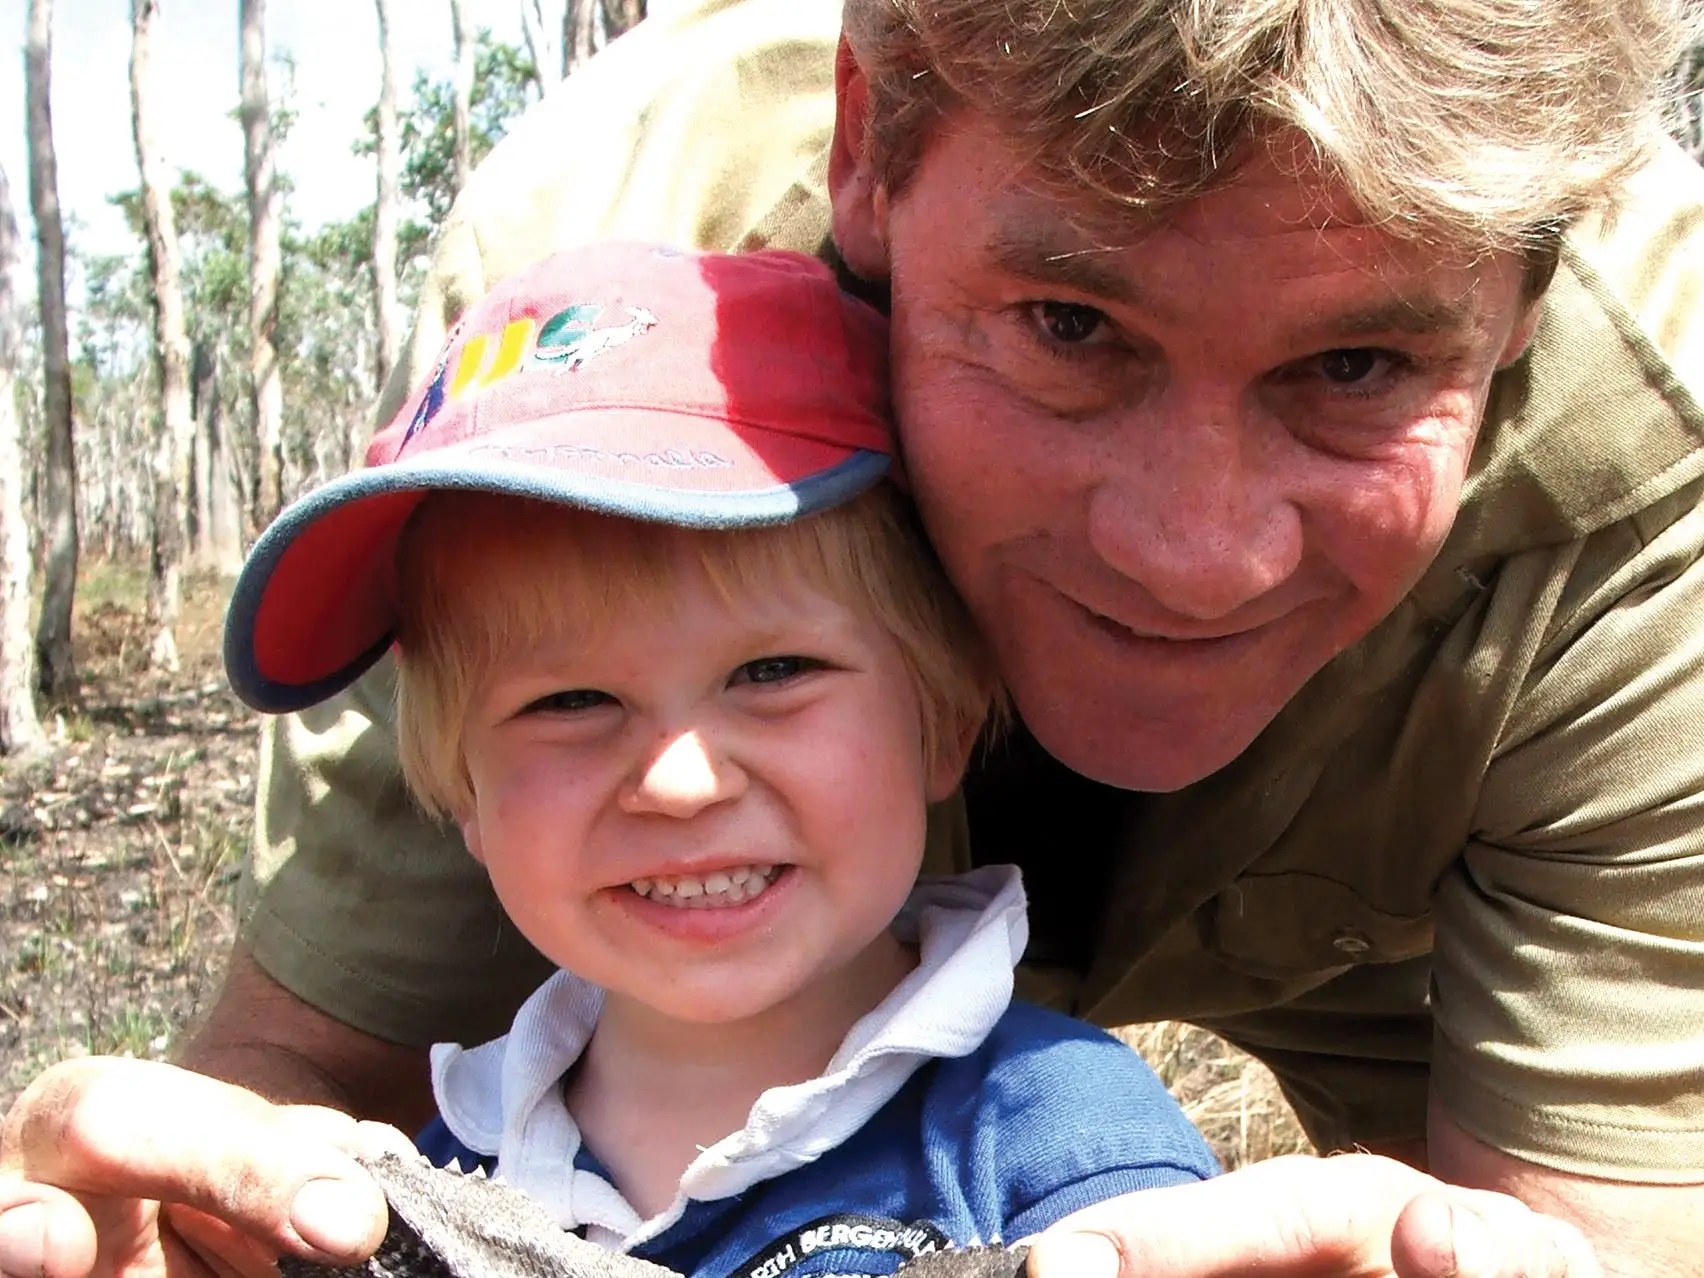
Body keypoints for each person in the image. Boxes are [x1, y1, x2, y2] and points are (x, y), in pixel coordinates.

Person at [3, 0, 1702, 1274]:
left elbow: (1579, 1228)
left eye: (1352, 370)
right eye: (1065, 322)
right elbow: (297, 1098)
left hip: (1393, 867)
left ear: (1525, 302)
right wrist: (196, 1215)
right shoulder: (595, 305)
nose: (1194, 556)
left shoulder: (1651, 446)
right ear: (867, 147)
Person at [218, 241, 1217, 1272]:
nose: (681, 781)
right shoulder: (421, 1182)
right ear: (460, 791)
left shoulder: (1063, 1153)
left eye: (772, 671)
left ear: (945, 719)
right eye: (569, 701)